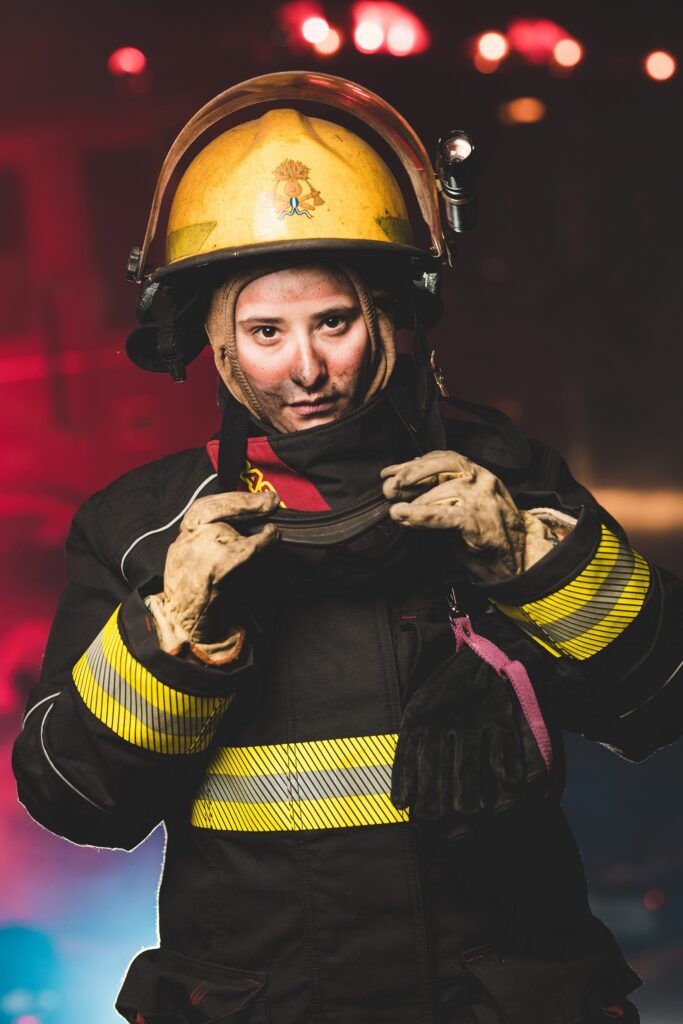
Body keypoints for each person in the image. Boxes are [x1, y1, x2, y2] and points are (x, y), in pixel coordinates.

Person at [12, 72, 683, 1024]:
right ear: (216, 345)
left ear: (387, 320)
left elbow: (660, 701)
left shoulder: (496, 473)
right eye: (265, 331)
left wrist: (527, 564)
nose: (307, 368)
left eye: (332, 321)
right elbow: (76, 800)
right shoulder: (142, 529)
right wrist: (171, 632)